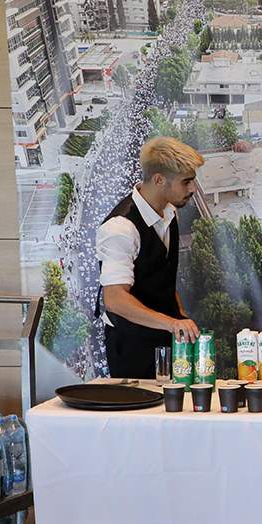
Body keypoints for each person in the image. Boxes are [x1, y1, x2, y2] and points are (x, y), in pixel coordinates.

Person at [95, 137, 204, 378]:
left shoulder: (170, 212)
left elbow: (162, 277)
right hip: (132, 346)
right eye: (186, 181)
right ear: (159, 180)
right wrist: (171, 323)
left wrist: (180, 317)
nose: (194, 189)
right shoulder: (120, 228)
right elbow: (114, 299)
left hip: (167, 338)